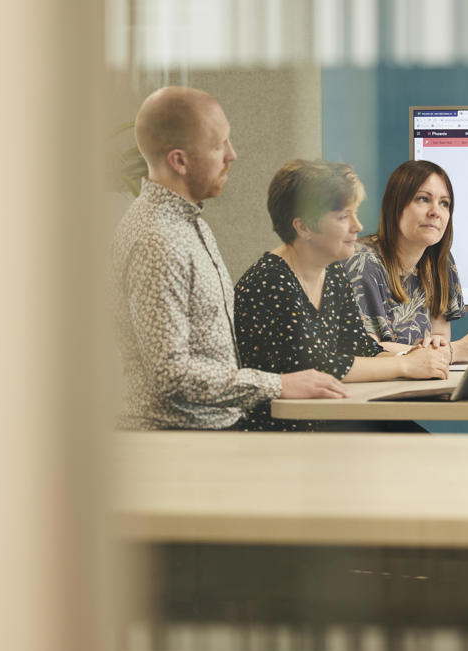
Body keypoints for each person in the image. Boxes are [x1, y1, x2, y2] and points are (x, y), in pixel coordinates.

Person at [113, 87, 346, 430]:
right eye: (219, 145)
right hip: (180, 442)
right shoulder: (157, 241)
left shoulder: (188, 224)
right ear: (179, 160)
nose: (232, 155)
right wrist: (279, 384)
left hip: (207, 432)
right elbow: (171, 374)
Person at [234, 159, 449, 431]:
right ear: (304, 227)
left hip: (333, 423)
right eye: (343, 217)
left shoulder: (332, 273)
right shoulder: (270, 281)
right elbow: (319, 367)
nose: (358, 226)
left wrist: (413, 356)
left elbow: (360, 347)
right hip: (286, 438)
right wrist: (406, 366)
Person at [345, 159, 468, 363]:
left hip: (419, 379)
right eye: (423, 199)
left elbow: (440, 336)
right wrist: (455, 351)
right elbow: (366, 350)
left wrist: (440, 346)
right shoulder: (361, 261)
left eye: (444, 203)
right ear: (396, 205)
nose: (435, 212)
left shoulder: (440, 260)